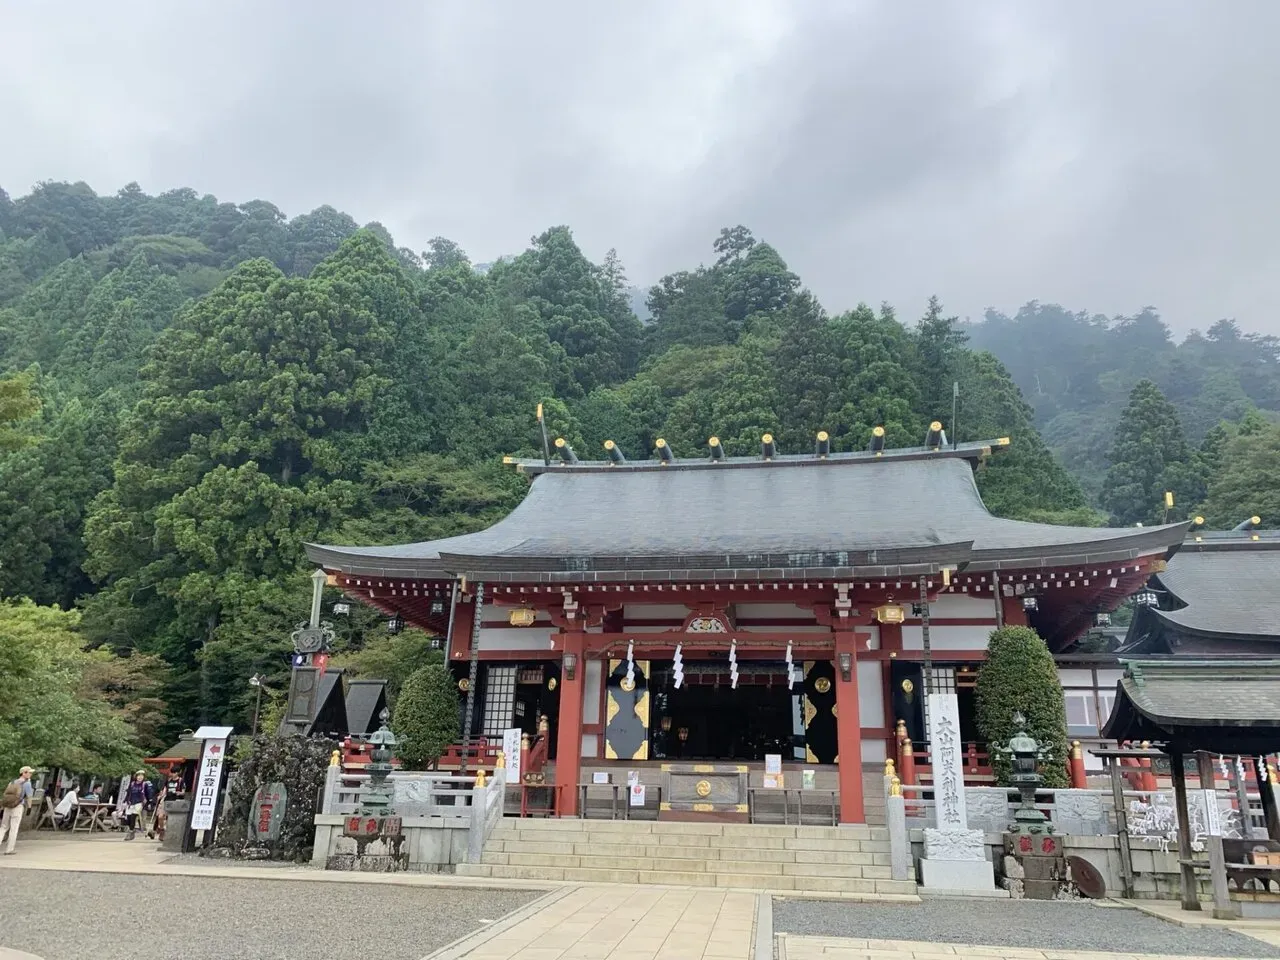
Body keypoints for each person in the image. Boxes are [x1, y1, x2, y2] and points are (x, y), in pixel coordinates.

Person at [1, 766, 36, 855]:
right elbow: (29, 796)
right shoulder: (27, 783)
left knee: (3, 827)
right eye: (29, 772)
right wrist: (29, 807)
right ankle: (9, 849)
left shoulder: (12, 782)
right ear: (24, 773)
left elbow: (6, 795)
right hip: (18, 806)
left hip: (8, 806)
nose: (31, 774)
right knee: (14, 828)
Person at [123, 770, 154, 841]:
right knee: (128, 819)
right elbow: (128, 793)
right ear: (136, 776)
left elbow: (148, 794)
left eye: (142, 776)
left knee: (133, 817)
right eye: (138, 775)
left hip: (139, 803)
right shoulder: (132, 784)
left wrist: (149, 803)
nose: (140, 777)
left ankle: (130, 833)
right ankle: (133, 830)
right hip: (131, 803)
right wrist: (125, 801)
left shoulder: (145, 785)